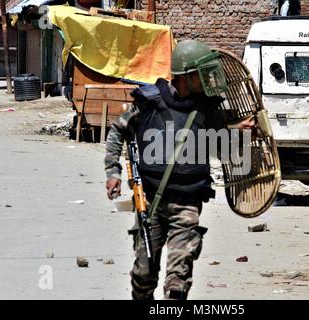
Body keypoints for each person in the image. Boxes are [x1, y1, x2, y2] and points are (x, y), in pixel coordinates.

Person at [104, 40, 254, 300]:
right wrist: (113, 173)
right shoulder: (149, 101)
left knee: (178, 280)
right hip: (150, 201)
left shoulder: (208, 108)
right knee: (143, 275)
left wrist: (238, 133)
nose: (207, 80)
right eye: (201, 75)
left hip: (188, 203)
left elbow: (222, 149)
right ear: (186, 76)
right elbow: (118, 131)